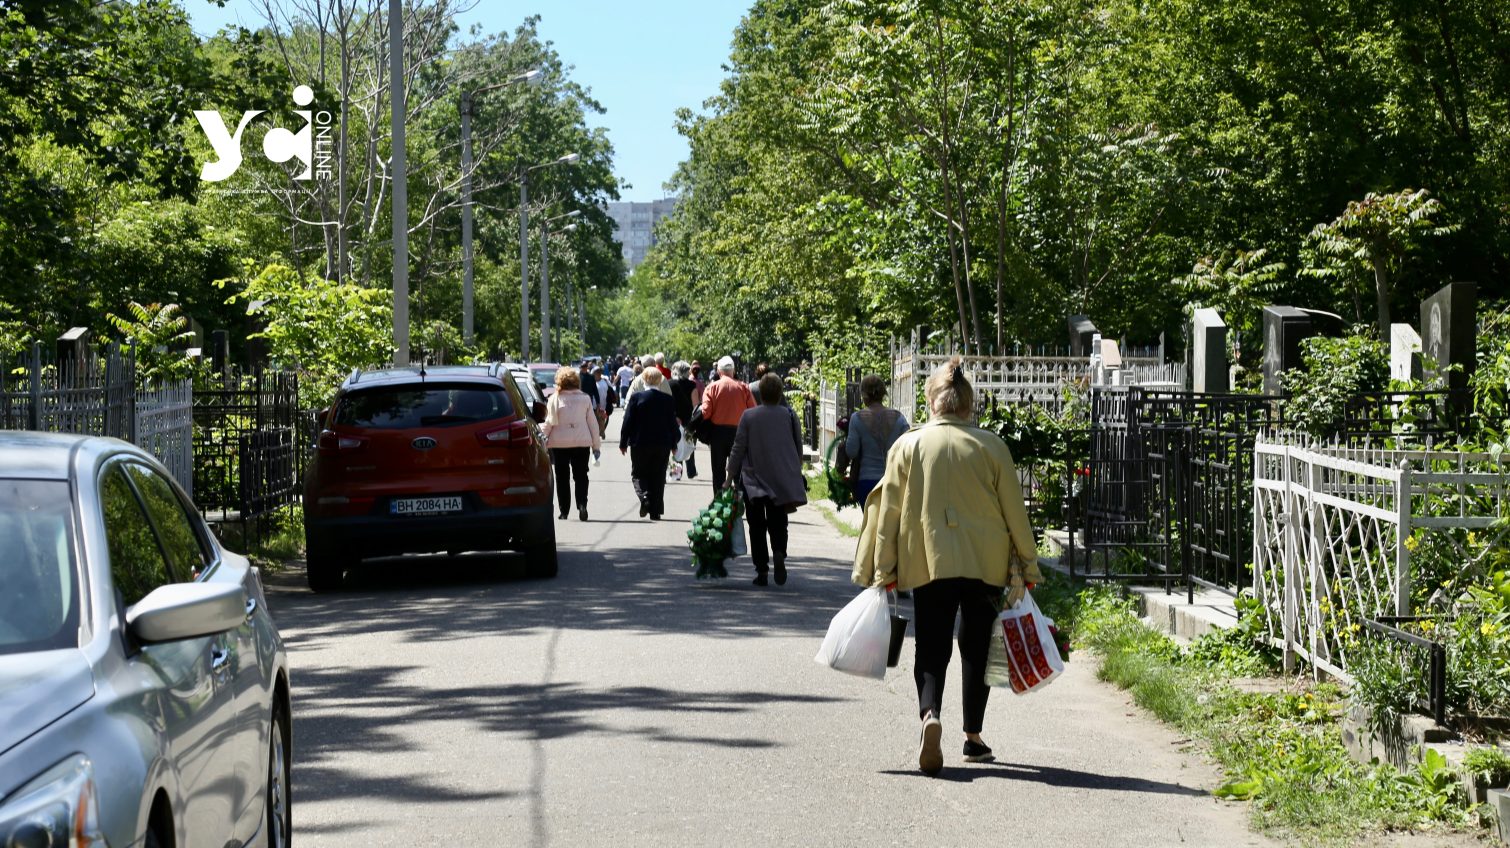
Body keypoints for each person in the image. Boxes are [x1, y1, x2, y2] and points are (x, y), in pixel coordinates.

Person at [851, 357, 1040, 776]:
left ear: (932, 403)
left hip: (926, 561)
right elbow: (1015, 514)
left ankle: (929, 715)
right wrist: (1029, 565)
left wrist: (885, 570)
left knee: (932, 645)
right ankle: (973, 739)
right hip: (985, 563)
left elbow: (889, 518)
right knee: (975, 647)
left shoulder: (908, 446)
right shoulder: (992, 447)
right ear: (968, 405)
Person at [725, 373, 806, 586]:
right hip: (781, 477)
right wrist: (795, 470)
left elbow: (738, 448)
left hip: (753, 480)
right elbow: (798, 446)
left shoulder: (749, 416)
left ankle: (761, 570)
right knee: (779, 521)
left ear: (760, 393)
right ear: (780, 393)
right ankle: (779, 551)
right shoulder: (789, 415)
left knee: (756, 525)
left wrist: (729, 476)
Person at [543, 366, 601, 522]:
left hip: (559, 444)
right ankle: (582, 504)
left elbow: (549, 423)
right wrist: (596, 447)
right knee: (581, 475)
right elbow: (593, 424)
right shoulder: (585, 398)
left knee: (562, 477)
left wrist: (541, 439)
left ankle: (564, 511)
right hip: (581, 443)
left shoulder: (554, 399)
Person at [620, 368, 680, 520]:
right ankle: (655, 511)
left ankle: (644, 497)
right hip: (663, 444)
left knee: (638, 474)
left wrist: (623, 442)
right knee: (658, 476)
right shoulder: (668, 400)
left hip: (640, 443)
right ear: (660, 381)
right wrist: (674, 443)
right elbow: (672, 424)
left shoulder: (636, 397)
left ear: (644, 380)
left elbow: (628, 421)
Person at [845, 375, 910, 505]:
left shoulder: (857, 418)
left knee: (871, 523)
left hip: (866, 482)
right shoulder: (899, 418)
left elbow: (851, 451)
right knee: (891, 524)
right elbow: (908, 449)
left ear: (863, 395)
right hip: (894, 481)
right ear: (883, 393)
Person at [700, 355, 755, 492]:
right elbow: (753, 411)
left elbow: (705, 412)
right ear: (733, 371)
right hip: (739, 433)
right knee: (738, 469)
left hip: (717, 434)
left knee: (718, 470)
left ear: (719, 371)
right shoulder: (744, 388)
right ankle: (737, 501)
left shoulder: (711, 388)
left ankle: (719, 505)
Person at [668, 360, 700, 480]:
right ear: (687, 372)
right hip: (688, 420)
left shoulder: (669, 383)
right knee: (689, 445)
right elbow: (696, 405)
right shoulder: (692, 385)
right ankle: (691, 471)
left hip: (672, 419)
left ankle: (676, 473)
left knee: (674, 447)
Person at [594, 366, 615, 440]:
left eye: (599, 372)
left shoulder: (605, 380)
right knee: (595, 419)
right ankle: (598, 432)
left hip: (604, 404)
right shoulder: (591, 381)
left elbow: (611, 390)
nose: (598, 374)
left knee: (602, 419)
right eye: (596, 372)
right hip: (594, 405)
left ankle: (602, 431)